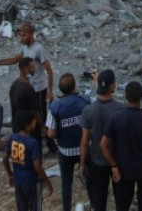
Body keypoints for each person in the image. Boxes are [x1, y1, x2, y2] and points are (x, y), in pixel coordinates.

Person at [100, 81, 142, 211]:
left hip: (123, 170)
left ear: (126, 97)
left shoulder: (115, 118)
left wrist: (114, 165)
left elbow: (103, 145)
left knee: (122, 206)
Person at [8, 23, 57, 154]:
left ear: (31, 34)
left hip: (39, 89)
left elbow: (49, 70)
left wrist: (50, 92)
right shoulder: (24, 47)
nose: (21, 38)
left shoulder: (38, 49)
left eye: (24, 35)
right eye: (20, 35)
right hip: (29, 89)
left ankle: (51, 146)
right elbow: (14, 60)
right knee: (33, 117)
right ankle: (40, 144)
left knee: (41, 117)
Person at [80, 69, 125, 211]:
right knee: (121, 200)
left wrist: (82, 164)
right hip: (117, 161)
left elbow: (84, 143)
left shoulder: (88, 111)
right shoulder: (120, 109)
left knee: (99, 201)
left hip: (97, 162)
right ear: (112, 87)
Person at [47, 73, 91, 211]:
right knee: (89, 178)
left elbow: (51, 133)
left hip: (65, 151)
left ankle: (66, 208)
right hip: (84, 149)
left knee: (66, 183)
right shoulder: (85, 101)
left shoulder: (55, 107)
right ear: (74, 87)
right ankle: (94, 203)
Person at [3, 110, 54, 211]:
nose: (35, 123)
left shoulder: (12, 138)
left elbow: (4, 158)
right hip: (31, 181)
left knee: (22, 207)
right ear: (28, 126)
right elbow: (37, 166)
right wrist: (47, 182)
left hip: (18, 180)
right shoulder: (32, 143)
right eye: (33, 122)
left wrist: (10, 173)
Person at [10, 58, 42, 134]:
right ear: (25, 69)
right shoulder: (29, 89)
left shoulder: (14, 85)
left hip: (18, 127)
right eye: (32, 67)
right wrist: (42, 127)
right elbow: (35, 111)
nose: (34, 69)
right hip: (29, 128)